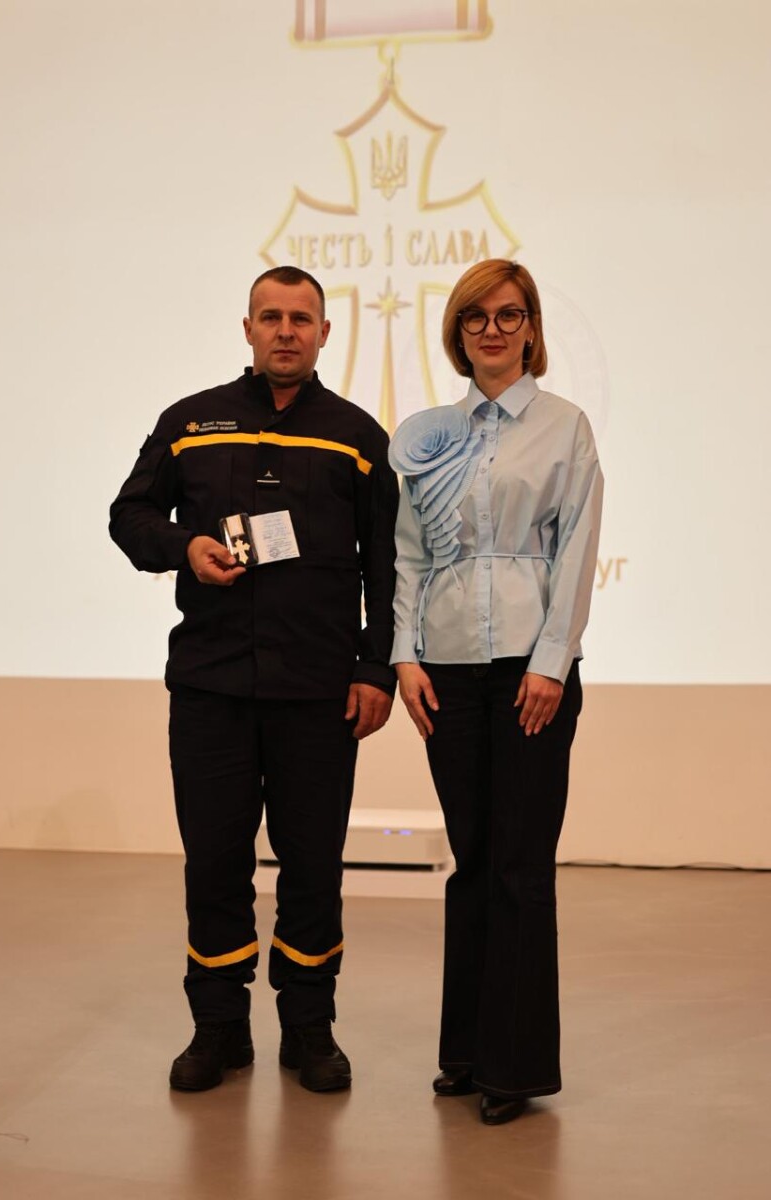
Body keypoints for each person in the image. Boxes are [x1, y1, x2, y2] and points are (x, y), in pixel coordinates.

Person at [110, 266, 398, 1094]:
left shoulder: (356, 437)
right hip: (211, 687)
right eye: (270, 316)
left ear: (324, 333)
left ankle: (309, 1027)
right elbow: (129, 516)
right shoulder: (189, 422)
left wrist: (374, 668)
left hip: (318, 694)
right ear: (247, 328)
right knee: (214, 862)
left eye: (301, 319)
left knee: (313, 865)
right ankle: (218, 1027)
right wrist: (183, 548)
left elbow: (387, 567)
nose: (285, 331)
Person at [389, 259, 603, 1125]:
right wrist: (404, 655)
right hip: (446, 669)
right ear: (458, 331)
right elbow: (407, 551)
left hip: (528, 671)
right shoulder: (430, 434)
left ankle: (514, 1068)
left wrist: (552, 663)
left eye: (508, 314)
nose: (492, 329)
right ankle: (467, 1052)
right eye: (475, 316)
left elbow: (578, 547)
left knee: (520, 865)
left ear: (531, 327)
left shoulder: (564, 427)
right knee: (472, 861)